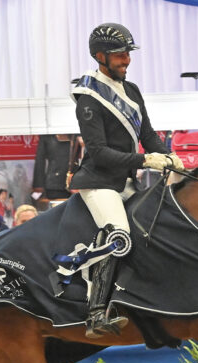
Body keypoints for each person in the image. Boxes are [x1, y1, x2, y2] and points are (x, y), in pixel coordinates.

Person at [70, 22, 184, 338]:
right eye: (120, 55)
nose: (126, 60)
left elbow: (146, 133)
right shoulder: (89, 96)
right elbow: (100, 152)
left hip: (125, 181)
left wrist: (167, 155)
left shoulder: (131, 90)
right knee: (118, 233)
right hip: (99, 182)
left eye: (127, 54)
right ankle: (94, 313)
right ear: (100, 56)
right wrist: (145, 160)